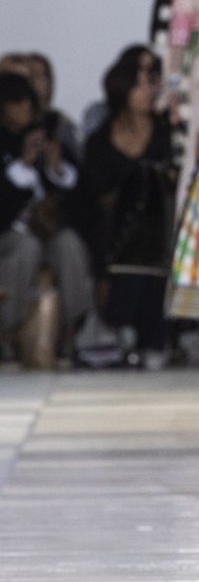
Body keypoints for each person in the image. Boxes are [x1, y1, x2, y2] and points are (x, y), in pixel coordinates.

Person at [81, 46, 177, 368]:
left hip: (163, 233)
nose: (149, 91)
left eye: (153, 81)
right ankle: (118, 330)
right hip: (113, 239)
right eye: (140, 83)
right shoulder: (99, 142)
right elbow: (90, 204)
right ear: (123, 87)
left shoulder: (169, 134)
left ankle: (156, 337)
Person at [0, 70, 93, 363]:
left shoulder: (46, 133)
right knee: (24, 247)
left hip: (45, 229)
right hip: (9, 233)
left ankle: (70, 330)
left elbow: (81, 202)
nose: (25, 107)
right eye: (17, 101)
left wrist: (56, 169)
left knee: (69, 244)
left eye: (28, 100)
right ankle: (7, 331)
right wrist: (23, 168)